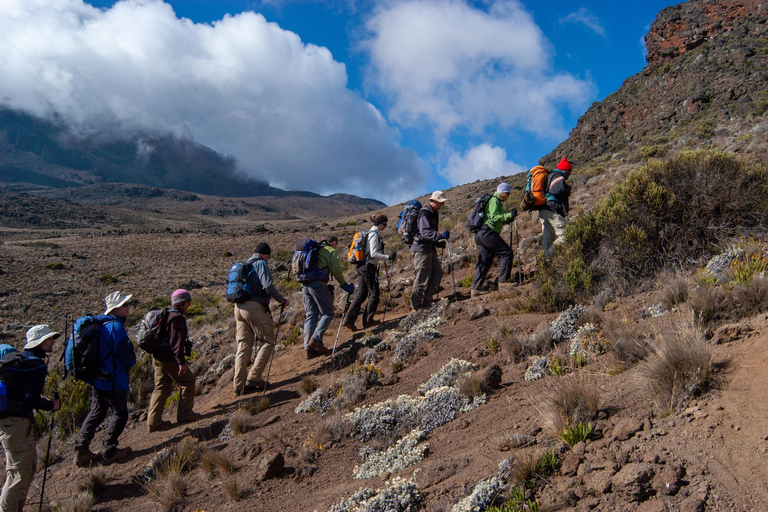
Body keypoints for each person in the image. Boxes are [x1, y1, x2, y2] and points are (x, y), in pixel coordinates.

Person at [0, 325, 61, 512]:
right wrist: (52, 405)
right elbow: (29, 398)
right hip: (17, 424)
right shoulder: (35, 364)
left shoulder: (22, 362)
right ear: (40, 342)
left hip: (10, 424)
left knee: (21, 469)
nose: (53, 342)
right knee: (19, 472)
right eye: (50, 339)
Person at [74, 291, 136, 467]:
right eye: (125, 305)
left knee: (97, 411)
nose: (128, 307)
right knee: (121, 413)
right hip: (113, 378)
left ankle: (81, 450)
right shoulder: (115, 327)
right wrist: (131, 363)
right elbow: (125, 352)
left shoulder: (100, 324)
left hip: (97, 377)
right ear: (115, 309)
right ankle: (109, 451)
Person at [233, 242, 289, 396]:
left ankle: (238, 386)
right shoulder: (260, 264)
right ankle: (254, 378)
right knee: (269, 340)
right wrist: (281, 300)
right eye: (268, 256)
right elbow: (268, 286)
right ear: (265, 254)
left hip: (238, 307)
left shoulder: (245, 264)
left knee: (243, 345)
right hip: (253, 307)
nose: (268, 260)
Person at [147, 289, 199, 432]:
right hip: (169, 358)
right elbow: (177, 342)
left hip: (157, 357)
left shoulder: (167, 315)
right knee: (188, 380)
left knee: (161, 388)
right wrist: (181, 362)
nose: (190, 305)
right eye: (189, 302)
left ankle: (154, 422)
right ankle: (185, 413)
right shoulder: (177, 318)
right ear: (183, 303)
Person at [303, 236, 355, 359]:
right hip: (318, 284)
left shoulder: (315, 250)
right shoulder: (330, 251)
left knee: (311, 314)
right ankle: (316, 339)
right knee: (327, 313)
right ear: (334, 242)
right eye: (336, 244)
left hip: (305, 284)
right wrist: (344, 285)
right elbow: (336, 270)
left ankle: (308, 348)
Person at [345, 214, 396, 331]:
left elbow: (369, 251)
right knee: (374, 293)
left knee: (361, 294)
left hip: (362, 266)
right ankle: (368, 321)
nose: (385, 226)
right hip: (368, 268)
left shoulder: (369, 233)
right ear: (380, 224)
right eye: (385, 224)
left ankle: (349, 320)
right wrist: (388, 257)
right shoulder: (374, 235)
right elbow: (373, 254)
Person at [472, 183, 517, 297]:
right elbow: (494, 217)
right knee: (506, 253)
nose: (508, 196)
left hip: (481, 234)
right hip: (488, 233)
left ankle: (475, 289)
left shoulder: (494, 201)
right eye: (507, 193)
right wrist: (509, 215)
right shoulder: (495, 201)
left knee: (485, 260)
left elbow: (495, 219)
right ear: (502, 192)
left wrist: (507, 219)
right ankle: (503, 282)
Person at [410, 191, 449, 310]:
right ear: (434, 201)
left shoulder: (433, 213)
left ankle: (427, 301)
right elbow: (425, 232)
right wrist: (440, 236)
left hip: (429, 248)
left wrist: (437, 243)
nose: (442, 205)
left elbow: (428, 233)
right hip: (421, 250)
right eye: (441, 203)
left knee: (437, 274)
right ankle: (416, 307)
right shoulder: (424, 214)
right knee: (422, 278)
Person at [540, 158, 572, 258]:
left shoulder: (550, 176)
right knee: (565, 235)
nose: (570, 173)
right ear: (564, 170)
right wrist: (567, 189)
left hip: (544, 211)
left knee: (547, 241)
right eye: (569, 171)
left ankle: (543, 263)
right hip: (552, 210)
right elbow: (557, 190)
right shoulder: (558, 176)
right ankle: (547, 257)